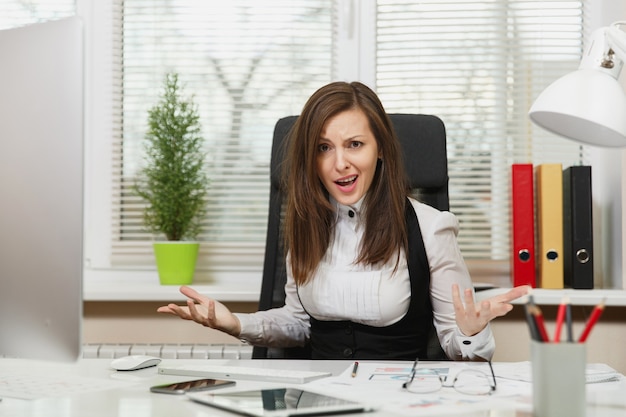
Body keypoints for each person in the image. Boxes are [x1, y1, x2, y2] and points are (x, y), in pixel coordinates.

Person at [158, 81, 528, 361]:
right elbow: (298, 324)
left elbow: (458, 344)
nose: (340, 164)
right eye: (324, 148)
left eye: (355, 144)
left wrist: (469, 332)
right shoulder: (305, 224)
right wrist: (235, 323)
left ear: (380, 148)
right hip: (317, 400)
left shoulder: (431, 228)